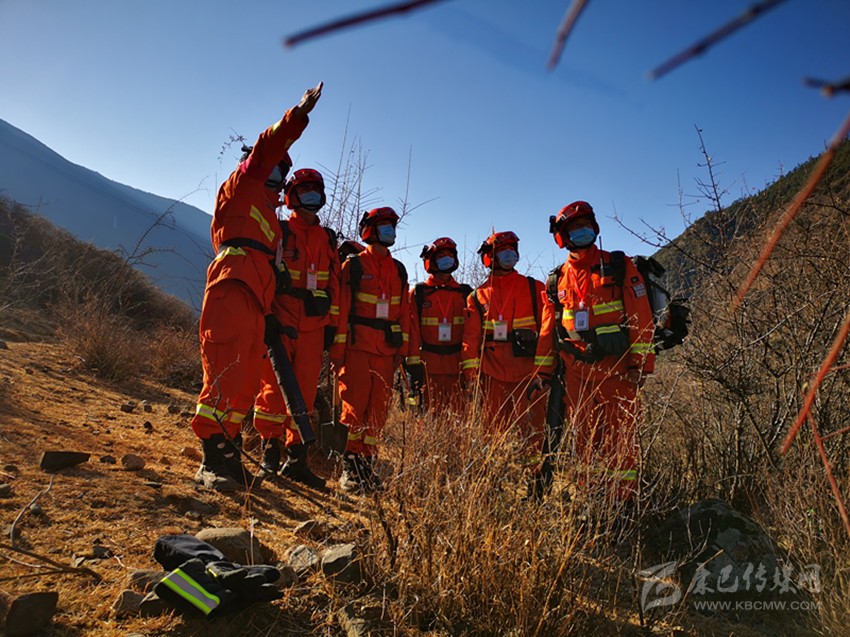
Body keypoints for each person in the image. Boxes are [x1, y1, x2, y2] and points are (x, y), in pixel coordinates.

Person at [190, 83, 323, 492]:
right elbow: (266, 149)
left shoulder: (270, 219)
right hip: (231, 288)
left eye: (281, 174)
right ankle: (211, 461)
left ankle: (228, 457)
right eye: (273, 170)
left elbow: (273, 268)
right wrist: (297, 115)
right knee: (225, 373)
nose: (275, 178)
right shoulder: (241, 187)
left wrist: (269, 315)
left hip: (256, 301)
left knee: (246, 380)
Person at [535, 201, 655, 504]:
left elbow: (641, 314)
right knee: (586, 439)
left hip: (618, 371)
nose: (582, 232)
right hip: (577, 372)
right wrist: (544, 372)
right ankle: (592, 500)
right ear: (562, 236)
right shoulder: (556, 279)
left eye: (585, 226)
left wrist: (640, 364)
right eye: (574, 228)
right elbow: (548, 330)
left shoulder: (617, 265)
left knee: (621, 438)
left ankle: (623, 503)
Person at [252, 168, 340, 491]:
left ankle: (297, 460)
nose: (311, 197)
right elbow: (263, 274)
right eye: (304, 191)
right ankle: (269, 454)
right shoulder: (280, 230)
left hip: (314, 328)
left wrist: (332, 325)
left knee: (304, 392)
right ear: (292, 197)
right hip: (282, 322)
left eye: (315, 191)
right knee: (273, 390)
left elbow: (335, 284)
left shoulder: (327, 238)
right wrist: (265, 316)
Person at [329, 207, 410, 492]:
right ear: (370, 231)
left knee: (378, 411)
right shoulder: (353, 266)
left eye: (392, 226)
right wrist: (337, 352)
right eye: (384, 226)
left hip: (386, 351)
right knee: (355, 406)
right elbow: (341, 311)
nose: (389, 231)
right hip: (357, 348)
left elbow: (404, 314)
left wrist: (402, 351)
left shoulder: (398, 269)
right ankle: (350, 468)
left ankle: (367, 466)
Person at [460, 231, 546, 475]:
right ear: (490, 257)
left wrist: (546, 371)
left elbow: (549, 330)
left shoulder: (534, 288)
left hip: (528, 375)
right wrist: (471, 376)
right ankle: (496, 477)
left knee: (533, 431)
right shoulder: (477, 296)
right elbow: (470, 339)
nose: (509, 254)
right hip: (492, 375)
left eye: (512, 249)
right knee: (493, 430)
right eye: (503, 250)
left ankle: (534, 480)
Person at [405, 237, 471, 413]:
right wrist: (413, 366)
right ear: (431, 261)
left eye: (450, 255)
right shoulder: (419, 293)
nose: (447, 259)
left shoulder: (465, 293)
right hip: (428, 367)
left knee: (458, 417)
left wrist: (471, 368)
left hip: (457, 366)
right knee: (428, 416)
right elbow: (412, 330)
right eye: (441, 256)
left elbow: (472, 333)